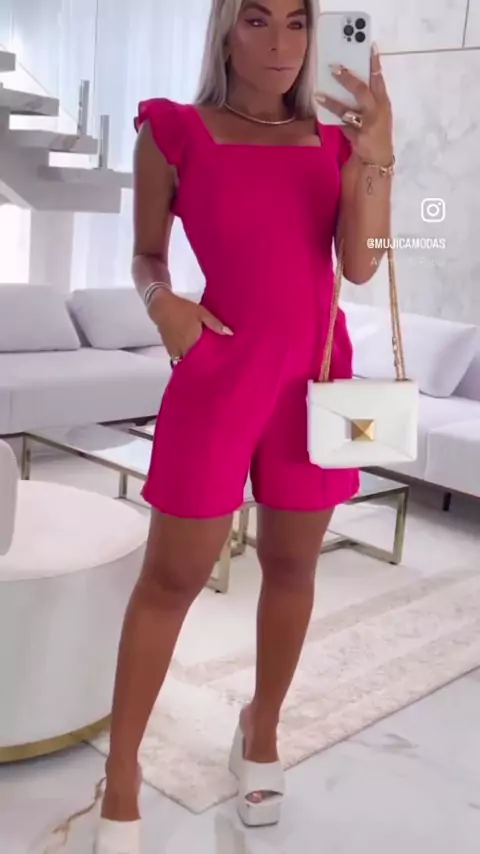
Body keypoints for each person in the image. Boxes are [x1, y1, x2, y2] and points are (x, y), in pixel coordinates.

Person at [96, 0, 394, 850]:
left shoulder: (336, 140)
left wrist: (378, 154)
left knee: (294, 566)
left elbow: (363, 265)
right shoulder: (173, 131)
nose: (281, 43)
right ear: (226, 31)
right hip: (220, 373)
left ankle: (261, 728)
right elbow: (146, 253)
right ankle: (122, 773)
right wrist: (162, 303)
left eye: (298, 22)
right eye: (257, 20)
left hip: (316, 377)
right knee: (172, 578)